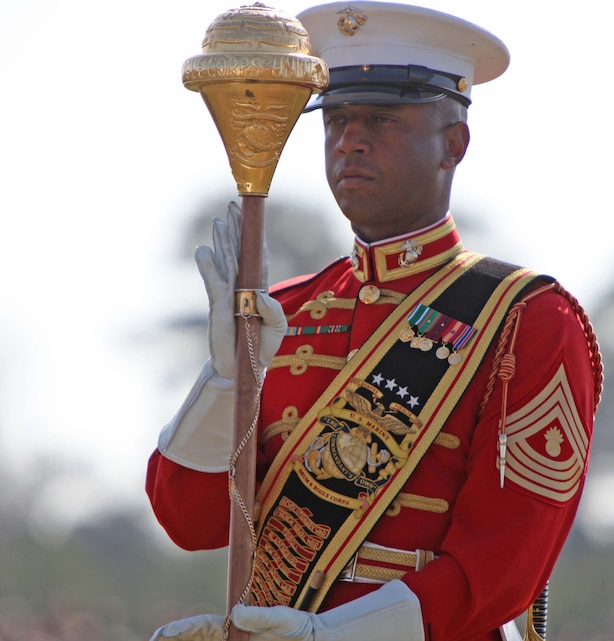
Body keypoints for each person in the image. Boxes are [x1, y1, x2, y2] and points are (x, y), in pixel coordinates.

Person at [145, 2, 603, 641]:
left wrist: (330, 636)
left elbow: (504, 566)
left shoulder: (525, 318)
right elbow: (187, 521)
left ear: (454, 144)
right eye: (336, 118)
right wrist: (223, 381)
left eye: (382, 119)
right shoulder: (287, 308)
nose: (349, 139)